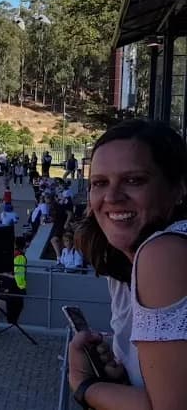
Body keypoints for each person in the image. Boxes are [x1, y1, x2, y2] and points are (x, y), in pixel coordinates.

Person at [69, 119, 187, 410]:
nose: (111, 197)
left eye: (134, 180)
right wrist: (123, 378)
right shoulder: (125, 266)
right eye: (99, 183)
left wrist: (84, 384)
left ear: (178, 189)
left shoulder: (162, 252)